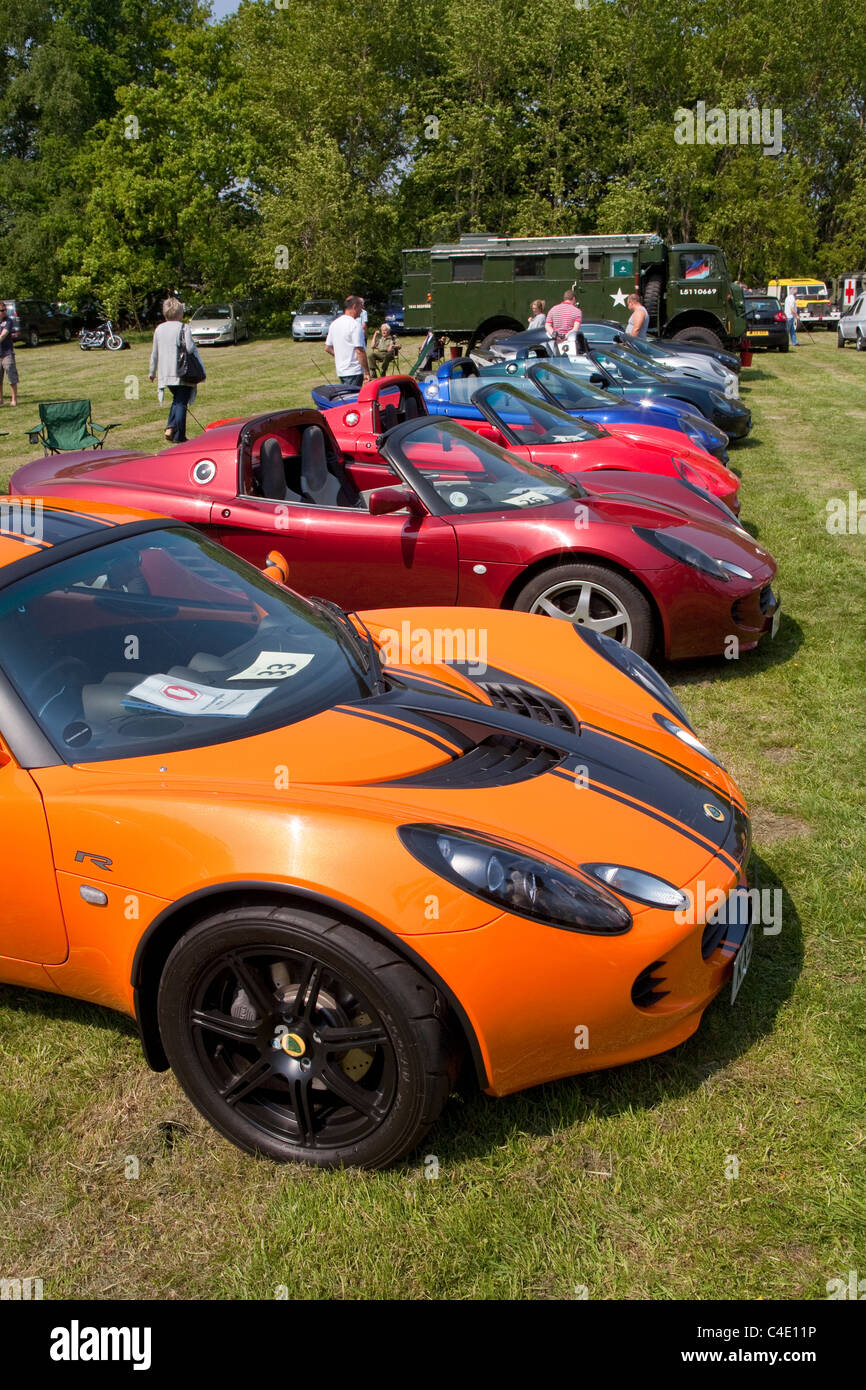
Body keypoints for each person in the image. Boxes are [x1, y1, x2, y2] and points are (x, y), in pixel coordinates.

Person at [148, 297, 204, 443]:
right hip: (182, 372)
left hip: (165, 374)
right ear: (180, 314)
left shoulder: (159, 329)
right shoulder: (183, 327)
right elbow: (191, 348)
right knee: (181, 403)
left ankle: (170, 427)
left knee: (177, 400)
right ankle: (179, 436)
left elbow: (155, 353)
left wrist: (152, 372)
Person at [325, 296, 370, 387]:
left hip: (341, 370)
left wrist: (340, 356)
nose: (362, 311)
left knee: (346, 397)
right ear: (354, 307)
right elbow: (359, 351)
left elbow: (328, 348)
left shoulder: (334, 324)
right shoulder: (355, 325)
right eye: (361, 308)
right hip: (354, 371)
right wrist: (367, 372)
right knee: (352, 399)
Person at [0, 302, 19, 407]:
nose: (4, 312)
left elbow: (3, 335)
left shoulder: (8, 321)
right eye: (2, 310)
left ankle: (14, 399)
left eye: (5, 310)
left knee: (11, 377)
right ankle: (0, 399)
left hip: (7, 353)